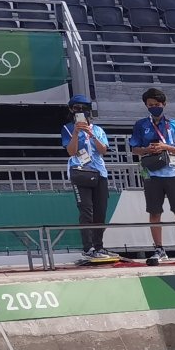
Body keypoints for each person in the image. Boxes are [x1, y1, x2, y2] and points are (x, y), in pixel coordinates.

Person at [127, 87, 175, 261]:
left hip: (174, 173)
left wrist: (165, 147)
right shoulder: (141, 125)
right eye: (150, 105)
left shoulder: (174, 124)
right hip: (152, 174)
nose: (154, 107)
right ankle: (159, 249)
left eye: (157, 104)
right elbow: (135, 149)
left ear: (164, 104)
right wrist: (146, 149)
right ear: (146, 106)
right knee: (154, 212)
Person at [60, 94, 114, 261]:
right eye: (77, 108)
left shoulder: (98, 129)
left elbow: (103, 150)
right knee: (86, 210)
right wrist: (76, 133)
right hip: (80, 171)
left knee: (100, 211)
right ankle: (88, 247)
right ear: (71, 110)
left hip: (99, 172)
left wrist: (91, 134)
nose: (81, 110)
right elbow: (70, 151)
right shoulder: (68, 128)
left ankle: (99, 246)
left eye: (84, 107)